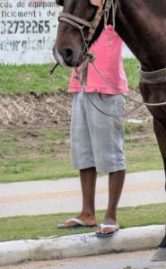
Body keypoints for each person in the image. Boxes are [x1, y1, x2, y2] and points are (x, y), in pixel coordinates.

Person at [57, 24, 128, 238]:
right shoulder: (82, 23)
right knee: (84, 154)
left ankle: (111, 216)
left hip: (106, 90)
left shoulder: (112, 19)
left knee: (111, 155)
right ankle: (87, 213)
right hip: (81, 87)